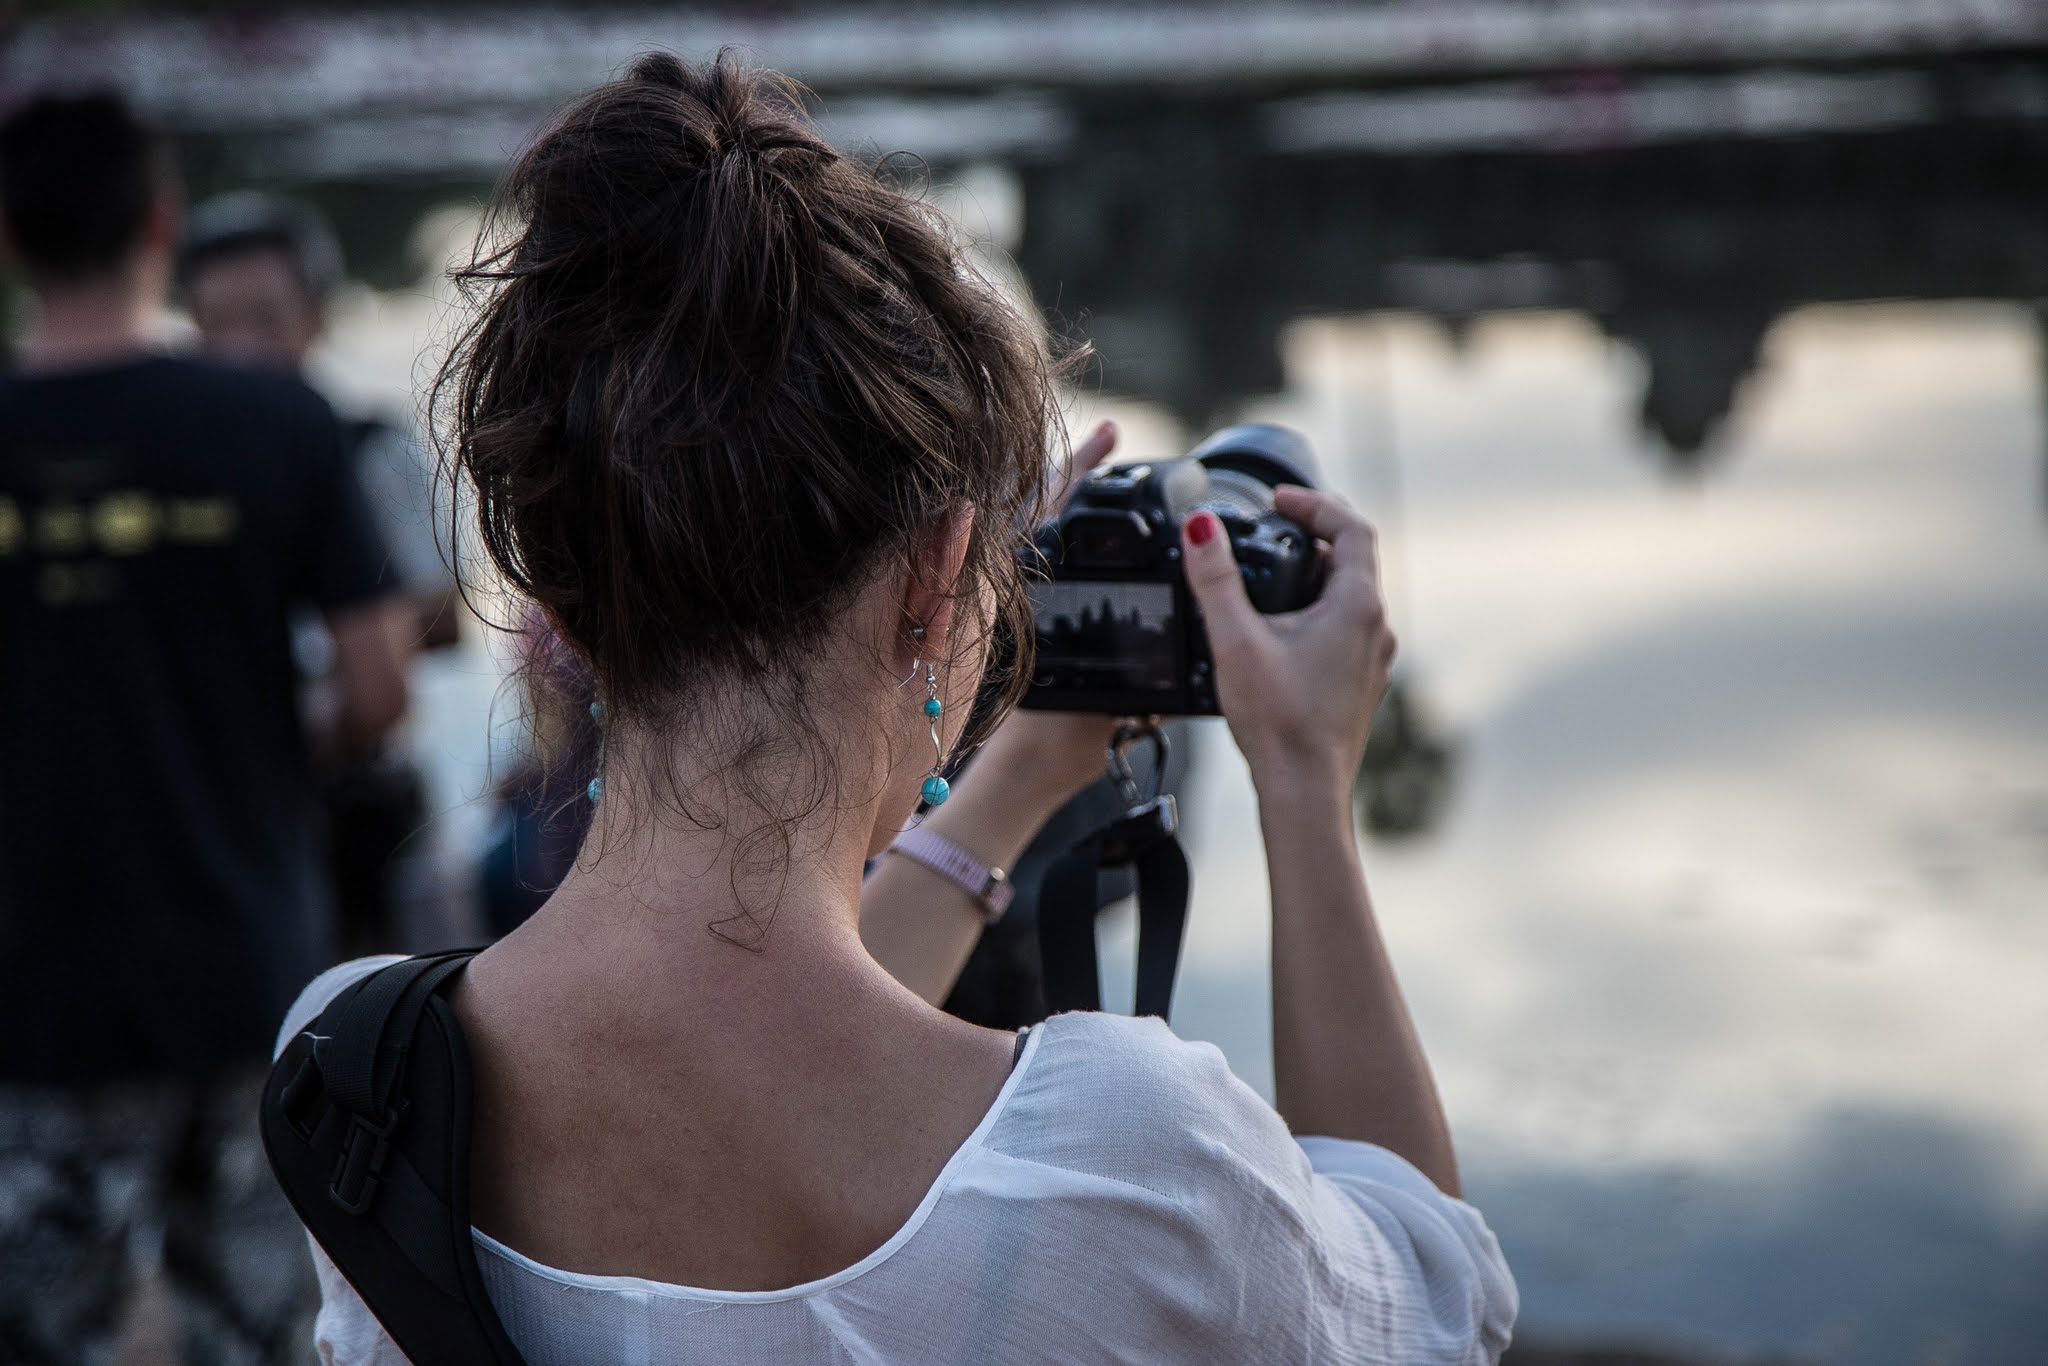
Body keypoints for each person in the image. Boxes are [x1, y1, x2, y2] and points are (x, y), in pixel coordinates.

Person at [279, 53, 1516, 1362]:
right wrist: (1302, 776)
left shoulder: (363, 1077)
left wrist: (1024, 772)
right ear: (935, 578)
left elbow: (767, 1047)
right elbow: (1431, 1294)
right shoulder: (1129, 1159)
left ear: (562, 602)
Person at [0, 92, 408, 1362]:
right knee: (259, 1332)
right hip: (241, 960)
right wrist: (264, 745)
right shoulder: (275, 422)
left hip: (29, 985)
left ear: (10, 238)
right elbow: (380, 687)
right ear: (159, 227)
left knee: (42, 1329)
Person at [180, 192, 458, 955]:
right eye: (215, 324)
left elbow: (447, 617)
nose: (241, 348)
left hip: (364, 798)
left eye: (266, 319)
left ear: (318, 317)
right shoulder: (179, 470)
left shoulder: (372, 447)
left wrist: (346, 652)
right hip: (221, 805)